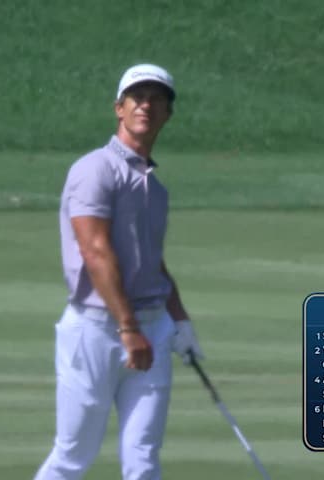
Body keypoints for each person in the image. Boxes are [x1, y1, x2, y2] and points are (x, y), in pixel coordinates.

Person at [34, 64, 206, 480]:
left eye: (157, 98)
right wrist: (129, 328)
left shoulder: (155, 188)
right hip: (96, 330)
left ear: (167, 114)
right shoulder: (95, 169)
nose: (146, 104)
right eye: (137, 97)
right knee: (73, 455)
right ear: (119, 108)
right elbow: (95, 250)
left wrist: (179, 319)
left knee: (143, 457)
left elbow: (151, 261)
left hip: (151, 325)